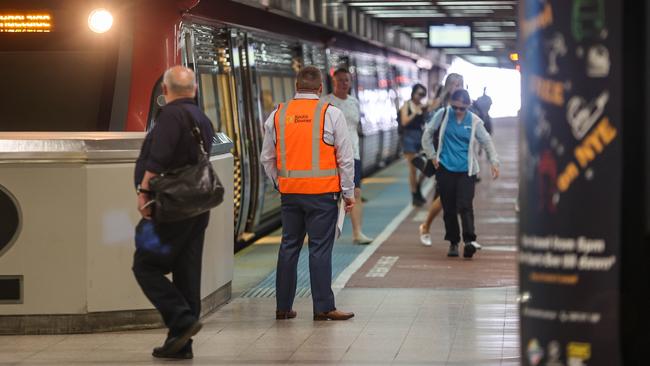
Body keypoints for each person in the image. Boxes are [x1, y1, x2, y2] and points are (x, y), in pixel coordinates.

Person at [260, 65, 355, 321]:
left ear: (296, 86)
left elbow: (266, 157)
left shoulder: (278, 114)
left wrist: (281, 183)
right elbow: (345, 158)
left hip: (290, 195)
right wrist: (348, 193)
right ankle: (323, 307)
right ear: (321, 88)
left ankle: (283, 307)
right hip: (322, 195)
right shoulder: (330, 113)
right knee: (319, 250)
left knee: (288, 247)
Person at [132, 66, 215, 359]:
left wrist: (144, 191)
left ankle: (181, 320)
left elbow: (160, 156)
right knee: (186, 274)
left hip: (171, 207)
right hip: (197, 207)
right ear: (193, 89)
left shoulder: (170, 115)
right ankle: (180, 344)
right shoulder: (200, 117)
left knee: (145, 265)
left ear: (165, 91)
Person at [423, 89, 500, 258]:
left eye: (462, 108)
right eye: (455, 107)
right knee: (449, 209)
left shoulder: (473, 120)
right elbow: (427, 134)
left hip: (466, 170)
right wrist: (432, 155)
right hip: (445, 169)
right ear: (450, 104)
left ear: (468, 107)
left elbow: (486, 141)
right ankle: (453, 242)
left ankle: (469, 241)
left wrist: (494, 162)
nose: (458, 111)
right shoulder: (443, 115)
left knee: (465, 206)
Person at [322, 68, 373, 245]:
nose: (343, 83)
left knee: (356, 193)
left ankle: (357, 233)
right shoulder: (325, 102)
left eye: (346, 80)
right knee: (331, 196)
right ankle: (327, 233)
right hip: (331, 155)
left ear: (350, 83)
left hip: (353, 154)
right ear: (333, 82)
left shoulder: (354, 102)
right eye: (340, 80)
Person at [418, 73, 464, 246]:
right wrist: (431, 155)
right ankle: (427, 226)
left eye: (460, 84)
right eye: (454, 84)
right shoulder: (439, 104)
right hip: (441, 155)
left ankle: (430, 227)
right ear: (448, 86)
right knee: (447, 196)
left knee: (449, 196)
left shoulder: (466, 103)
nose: (457, 87)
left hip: (459, 157)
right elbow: (429, 129)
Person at [400, 83, 435, 206]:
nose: (420, 96)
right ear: (413, 93)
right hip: (409, 138)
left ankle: (418, 188)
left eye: (423, 94)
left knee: (425, 167)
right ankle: (415, 194)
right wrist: (415, 112)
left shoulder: (423, 106)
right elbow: (404, 121)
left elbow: (430, 120)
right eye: (419, 93)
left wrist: (427, 109)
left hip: (421, 138)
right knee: (413, 169)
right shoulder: (407, 105)